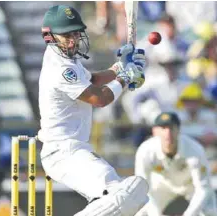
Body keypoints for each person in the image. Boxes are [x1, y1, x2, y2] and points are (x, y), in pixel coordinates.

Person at [38, 5, 149, 216]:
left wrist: (120, 66)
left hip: (74, 150)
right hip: (64, 153)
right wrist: (125, 79)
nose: (73, 40)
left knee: (130, 199)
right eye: (66, 35)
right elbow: (99, 98)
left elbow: (94, 80)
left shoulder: (67, 60)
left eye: (75, 34)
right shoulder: (61, 68)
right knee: (122, 193)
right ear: (50, 37)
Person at [134, 112, 217, 216]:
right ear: (155, 131)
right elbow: (142, 188)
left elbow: (202, 188)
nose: (168, 133)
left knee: (210, 212)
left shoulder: (194, 150)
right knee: (140, 212)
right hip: (161, 185)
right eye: (163, 128)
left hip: (190, 186)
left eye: (172, 128)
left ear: (179, 130)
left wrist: (189, 214)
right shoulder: (145, 150)